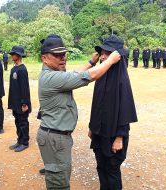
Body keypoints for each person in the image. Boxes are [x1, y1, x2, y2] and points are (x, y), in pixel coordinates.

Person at [36, 34, 121, 190]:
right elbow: (89, 76)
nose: (62, 58)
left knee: (61, 176)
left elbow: (74, 73)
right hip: (55, 138)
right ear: (44, 58)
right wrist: (111, 59)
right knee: (59, 184)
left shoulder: (54, 74)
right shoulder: (51, 78)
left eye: (64, 54)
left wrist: (91, 62)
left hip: (56, 137)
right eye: (57, 55)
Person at [89, 35, 138, 190]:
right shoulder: (101, 75)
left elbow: (126, 109)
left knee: (112, 168)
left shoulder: (121, 78)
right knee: (100, 165)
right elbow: (96, 104)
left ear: (117, 56)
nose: (103, 56)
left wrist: (119, 137)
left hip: (114, 133)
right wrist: (92, 127)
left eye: (107, 53)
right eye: (102, 52)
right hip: (99, 130)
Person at [8, 46, 31, 152]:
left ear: (19, 55)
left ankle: (25, 142)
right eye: (12, 54)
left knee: (23, 122)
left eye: (14, 54)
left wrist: (24, 103)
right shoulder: (13, 69)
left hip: (22, 102)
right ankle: (19, 140)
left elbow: (24, 88)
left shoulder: (22, 70)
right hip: (15, 101)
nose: (12, 55)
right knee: (17, 121)